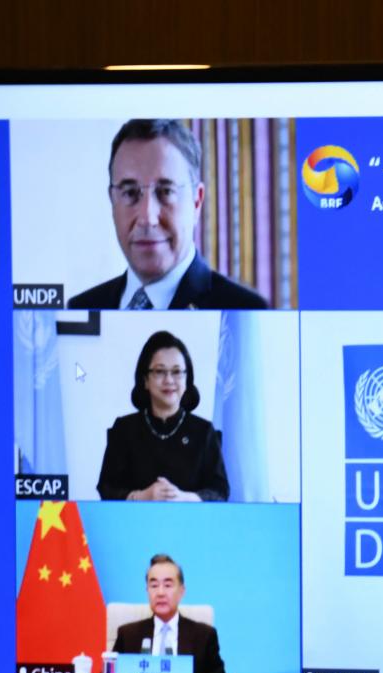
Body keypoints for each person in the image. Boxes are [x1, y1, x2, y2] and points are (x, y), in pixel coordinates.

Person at [68, 119, 268, 310]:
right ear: (112, 201)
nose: (147, 218)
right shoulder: (80, 308)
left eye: (166, 192)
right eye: (130, 193)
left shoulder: (248, 310)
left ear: (196, 201)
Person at [96, 330, 229, 502]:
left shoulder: (203, 431)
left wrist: (185, 498)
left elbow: (220, 491)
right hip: (135, 518)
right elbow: (106, 488)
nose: (169, 380)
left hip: (190, 518)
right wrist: (141, 497)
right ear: (145, 380)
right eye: (160, 371)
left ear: (187, 380)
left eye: (177, 372)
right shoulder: (124, 429)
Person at [112, 554, 231, 673]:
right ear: (147, 590)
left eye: (168, 585)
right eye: (154, 585)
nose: (160, 593)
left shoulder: (204, 636)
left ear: (181, 591)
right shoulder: (128, 635)